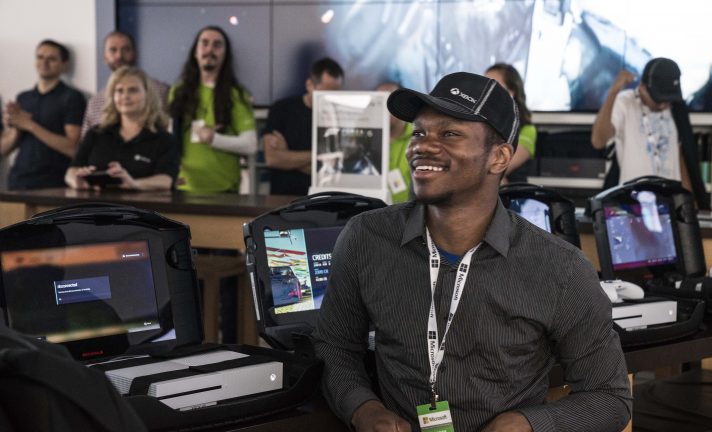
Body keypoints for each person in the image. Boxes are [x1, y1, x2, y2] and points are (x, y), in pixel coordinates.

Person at [314, 72, 631, 431]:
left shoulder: (560, 268)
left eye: (449, 134)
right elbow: (335, 348)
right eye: (419, 132)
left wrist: (528, 424)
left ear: (499, 158)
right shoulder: (366, 238)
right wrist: (363, 409)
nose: (423, 146)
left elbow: (610, 398)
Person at [591, 57, 709, 209]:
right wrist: (613, 93)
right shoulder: (625, 102)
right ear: (642, 86)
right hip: (632, 204)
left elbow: (681, 156)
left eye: (668, 100)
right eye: (658, 99)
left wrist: (689, 203)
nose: (663, 105)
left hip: (670, 204)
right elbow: (598, 141)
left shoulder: (676, 108)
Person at [168, 25, 256, 193]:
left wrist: (214, 139)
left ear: (225, 55)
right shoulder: (177, 92)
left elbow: (250, 145)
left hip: (224, 191)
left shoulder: (237, 94)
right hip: (183, 188)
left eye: (217, 45)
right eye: (204, 43)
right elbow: (170, 138)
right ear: (195, 52)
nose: (210, 49)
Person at [65, 66, 178, 191]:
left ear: (148, 94)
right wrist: (77, 181)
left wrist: (134, 184)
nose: (125, 96)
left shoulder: (164, 139)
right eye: (119, 91)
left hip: (142, 209)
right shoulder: (95, 134)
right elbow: (71, 172)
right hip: (98, 207)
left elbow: (166, 180)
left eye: (133, 90)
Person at [1, 39, 86, 190]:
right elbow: (4, 149)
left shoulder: (72, 97)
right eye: (40, 57)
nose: (44, 62)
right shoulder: (23, 98)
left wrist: (30, 125)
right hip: (18, 181)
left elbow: (73, 148)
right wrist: (17, 127)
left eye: (51, 59)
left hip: (54, 185)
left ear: (64, 64)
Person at [263, 58, 344, 196]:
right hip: (282, 199)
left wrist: (288, 155)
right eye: (325, 93)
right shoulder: (281, 109)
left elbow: (335, 170)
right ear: (309, 85)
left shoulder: (341, 117)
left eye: (336, 93)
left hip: (324, 199)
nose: (330, 99)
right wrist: (320, 155)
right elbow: (273, 159)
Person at [80, 31, 169, 139]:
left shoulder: (161, 91)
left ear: (135, 53)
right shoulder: (95, 102)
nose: (119, 56)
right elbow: (86, 144)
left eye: (126, 49)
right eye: (113, 50)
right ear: (105, 57)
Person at [484, 63, 536, 183]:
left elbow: (501, 169)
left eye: (493, 86)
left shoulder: (527, 129)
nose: (486, 91)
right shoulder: (478, 123)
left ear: (512, 92)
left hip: (514, 195)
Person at [377, 82, 413, 203]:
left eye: (391, 102)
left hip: (409, 215)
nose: (387, 108)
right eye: (381, 102)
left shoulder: (419, 138)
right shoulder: (366, 142)